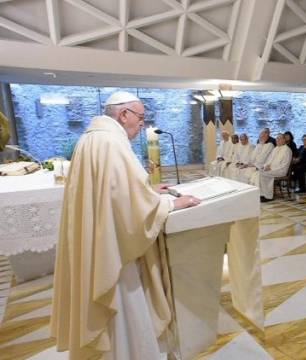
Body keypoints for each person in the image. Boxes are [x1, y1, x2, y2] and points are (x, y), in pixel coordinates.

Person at [51, 92, 200, 359]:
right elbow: (128, 206)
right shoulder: (112, 142)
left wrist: (148, 189)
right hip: (114, 251)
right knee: (125, 308)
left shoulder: (92, 138)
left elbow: (112, 192)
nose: (142, 124)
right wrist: (169, 204)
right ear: (123, 115)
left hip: (98, 235)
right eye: (140, 117)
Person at [251, 134, 292, 202]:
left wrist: (271, 168)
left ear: (284, 140)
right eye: (276, 139)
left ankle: (268, 196)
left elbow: (284, 165)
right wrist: (265, 166)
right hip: (271, 169)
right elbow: (268, 160)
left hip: (280, 171)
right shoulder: (275, 149)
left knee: (262, 174)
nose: (277, 140)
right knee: (256, 172)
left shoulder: (287, 150)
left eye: (279, 139)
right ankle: (260, 194)